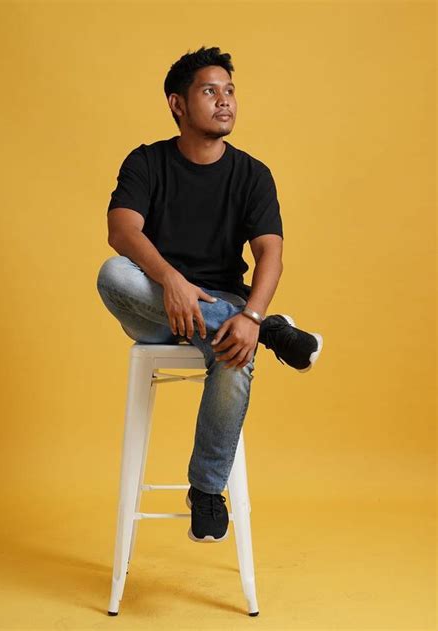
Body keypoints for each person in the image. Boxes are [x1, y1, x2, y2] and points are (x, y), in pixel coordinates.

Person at [96, 45, 323, 543]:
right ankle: (268, 332)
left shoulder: (252, 174)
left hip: (224, 305)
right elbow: (121, 230)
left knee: (235, 350)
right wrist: (171, 281)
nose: (225, 101)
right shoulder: (147, 161)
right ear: (177, 104)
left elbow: (271, 253)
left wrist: (251, 314)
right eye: (209, 91)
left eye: (230, 91)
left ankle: (205, 489)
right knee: (113, 274)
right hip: (154, 308)